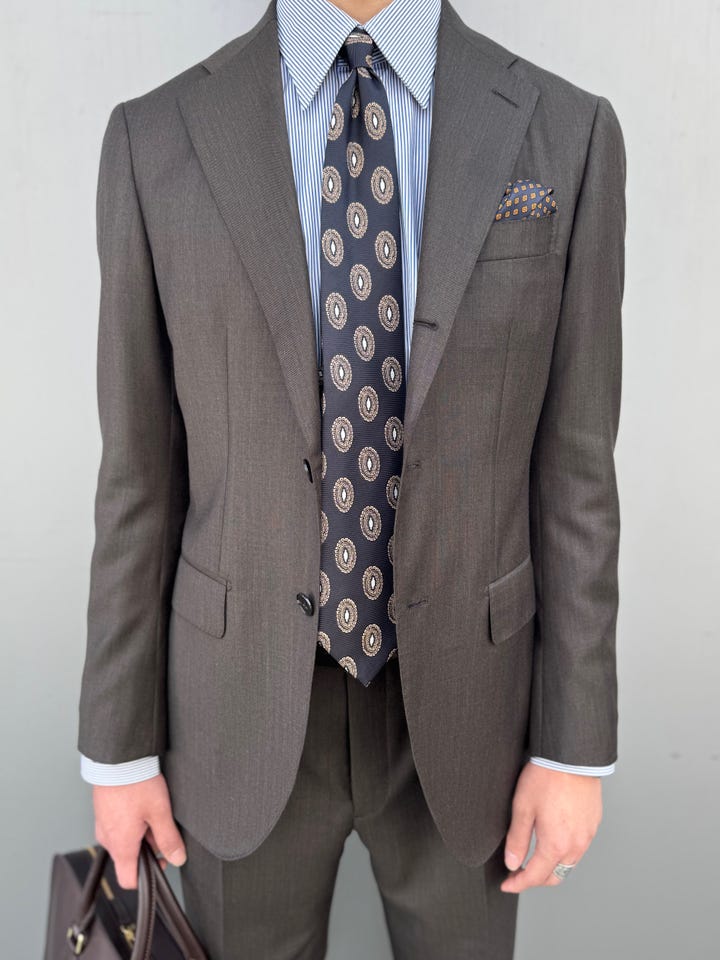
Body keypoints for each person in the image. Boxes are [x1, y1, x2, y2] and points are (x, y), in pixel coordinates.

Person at [77, 0, 626, 956]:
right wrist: (118, 750)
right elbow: (137, 479)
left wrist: (574, 745)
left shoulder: (566, 131)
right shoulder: (155, 139)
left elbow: (576, 468)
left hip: (472, 708)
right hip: (234, 705)